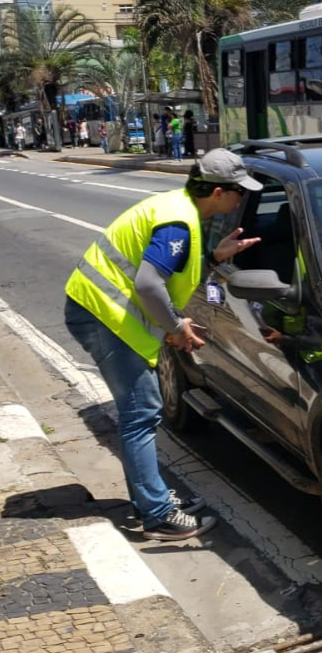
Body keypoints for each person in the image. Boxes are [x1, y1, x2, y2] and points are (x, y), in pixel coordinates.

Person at [63, 148, 263, 540]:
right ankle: (156, 515)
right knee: (141, 413)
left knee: (142, 411)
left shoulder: (178, 208)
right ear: (219, 193)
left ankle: (150, 497)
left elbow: (168, 273)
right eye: (239, 191)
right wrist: (175, 327)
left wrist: (212, 257)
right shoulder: (177, 222)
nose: (242, 199)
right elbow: (149, 285)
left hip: (103, 313)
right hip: (103, 316)